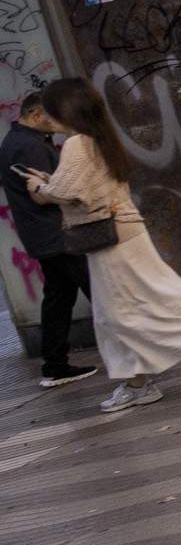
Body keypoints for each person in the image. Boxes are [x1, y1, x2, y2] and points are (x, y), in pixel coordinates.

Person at [19, 78, 181, 415]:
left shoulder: (77, 144)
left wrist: (39, 185)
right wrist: (53, 183)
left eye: (50, 110)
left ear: (62, 110)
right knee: (133, 306)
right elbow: (86, 188)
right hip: (123, 230)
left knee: (123, 313)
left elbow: (67, 193)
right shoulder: (100, 137)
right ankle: (140, 381)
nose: (47, 117)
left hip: (109, 237)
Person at [2, 93, 95, 388]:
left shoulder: (19, 142)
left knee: (59, 298)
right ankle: (137, 355)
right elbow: (47, 193)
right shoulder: (27, 146)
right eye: (55, 116)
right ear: (36, 114)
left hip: (48, 236)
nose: (61, 123)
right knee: (102, 293)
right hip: (59, 234)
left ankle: (54, 365)